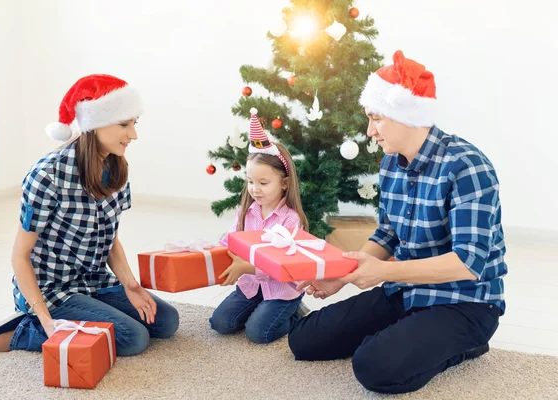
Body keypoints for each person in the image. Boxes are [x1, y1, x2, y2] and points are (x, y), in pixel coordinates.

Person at [287, 50, 507, 394]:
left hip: (466, 302)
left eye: (376, 119)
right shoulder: (391, 164)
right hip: (406, 290)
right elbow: (387, 234)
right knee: (303, 340)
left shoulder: (466, 166)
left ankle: (466, 345)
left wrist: (385, 272)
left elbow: (468, 262)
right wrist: (342, 277)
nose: (369, 131)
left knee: (373, 367)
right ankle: (412, 330)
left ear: (405, 115)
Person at [0, 74, 179, 357]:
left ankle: (88, 315)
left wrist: (131, 285)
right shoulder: (46, 176)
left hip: (94, 281)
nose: (133, 135)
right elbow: (20, 256)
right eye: (124, 124)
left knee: (165, 321)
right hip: (52, 289)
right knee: (133, 338)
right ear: (94, 124)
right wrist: (44, 315)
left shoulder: (116, 169)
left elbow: (110, 239)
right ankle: (23, 331)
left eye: (134, 123)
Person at [209, 108, 310, 344]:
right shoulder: (246, 211)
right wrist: (210, 252)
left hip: (282, 290)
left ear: (284, 183)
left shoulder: (290, 219)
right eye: (250, 181)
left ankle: (295, 314)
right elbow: (229, 241)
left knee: (258, 334)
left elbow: (283, 267)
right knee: (220, 323)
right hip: (251, 285)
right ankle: (260, 310)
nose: (255, 189)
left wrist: (246, 267)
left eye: (263, 183)